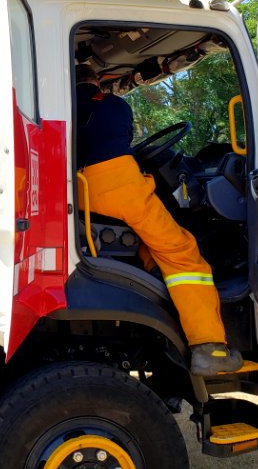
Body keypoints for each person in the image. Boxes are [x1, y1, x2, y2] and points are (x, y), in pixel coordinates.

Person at [75, 63, 242, 377]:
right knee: (183, 253)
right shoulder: (114, 106)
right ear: (97, 81)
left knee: (151, 245)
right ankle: (210, 347)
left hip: (82, 192)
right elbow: (121, 143)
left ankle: (157, 284)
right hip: (121, 189)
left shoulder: (65, 107)